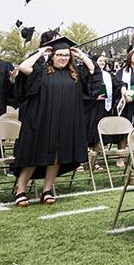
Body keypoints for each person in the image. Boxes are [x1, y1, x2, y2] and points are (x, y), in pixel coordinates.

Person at [12, 37, 95, 207]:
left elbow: (92, 69)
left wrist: (80, 54)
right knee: (34, 156)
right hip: (41, 122)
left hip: (64, 123)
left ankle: (47, 190)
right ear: (52, 56)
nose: (63, 58)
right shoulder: (41, 72)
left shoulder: (74, 74)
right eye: (59, 55)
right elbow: (23, 67)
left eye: (66, 55)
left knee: (57, 156)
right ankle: (20, 190)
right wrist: (41, 51)